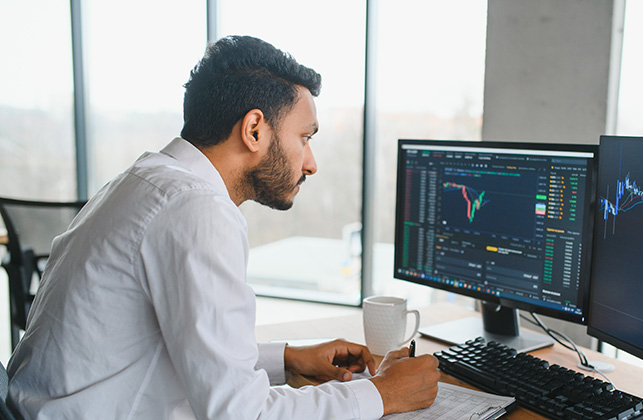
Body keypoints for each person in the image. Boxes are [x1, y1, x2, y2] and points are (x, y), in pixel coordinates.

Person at [6, 35, 440, 419]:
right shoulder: (197, 210)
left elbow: (170, 347)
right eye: (305, 137)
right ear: (254, 129)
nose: (311, 163)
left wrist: (287, 361)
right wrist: (383, 393)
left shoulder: (145, 181)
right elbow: (240, 414)